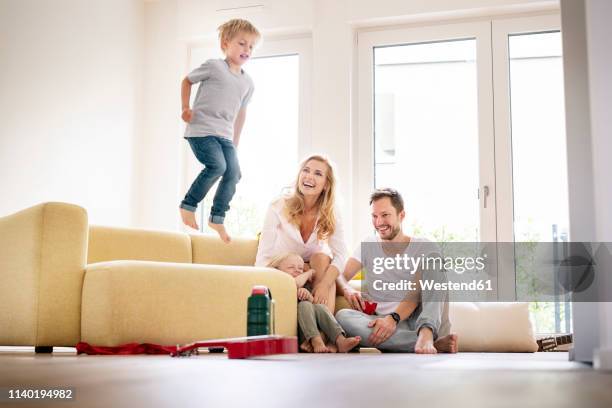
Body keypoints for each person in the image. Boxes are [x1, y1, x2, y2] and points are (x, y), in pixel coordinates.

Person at [335, 188, 458, 354]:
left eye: (385, 215)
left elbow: (413, 297)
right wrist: (347, 288)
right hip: (383, 322)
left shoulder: (425, 246)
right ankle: (430, 343)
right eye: (374, 216)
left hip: (418, 317)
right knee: (343, 317)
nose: (379, 222)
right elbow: (339, 276)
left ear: (402, 215)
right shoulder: (368, 245)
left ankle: (427, 334)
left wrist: (393, 318)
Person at [179, 19, 260, 243]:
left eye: (251, 46)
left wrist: (236, 141)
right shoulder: (214, 67)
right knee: (217, 166)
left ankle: (217, 217)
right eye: (242, 44)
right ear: (226, 43)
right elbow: (187, 81)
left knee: (234, 172)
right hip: (202, 131)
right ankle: (188, 205)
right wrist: (185, 108)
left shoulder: (248, 83)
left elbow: (241, 113)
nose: (247, 50)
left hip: (225, 136)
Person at [255, 155, 347, 314]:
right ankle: (322, 337)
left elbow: (341, 254)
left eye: (318, 173)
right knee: (320, 261)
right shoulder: (279, 205)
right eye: (306, 170)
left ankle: (323, 335)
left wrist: (324, 284)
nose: (309, 176)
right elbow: (263, 255)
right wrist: (263, 284)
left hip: (312, 270)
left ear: (326, 184)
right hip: (284, 269)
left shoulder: (332, 212)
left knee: (322, 258)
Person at [267, 253, 361, 353]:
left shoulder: (305, 285)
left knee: (319, 307)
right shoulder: (282, 281)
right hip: (299, 331)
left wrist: (308, 297)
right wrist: (308, 273)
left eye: (301, 268)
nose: (297, 270)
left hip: (309, 328)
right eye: (291, 267)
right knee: (304, 304)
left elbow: (314, 306)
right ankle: (316, 341)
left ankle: (340, 340)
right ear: (277, 270)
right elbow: (295, 283)